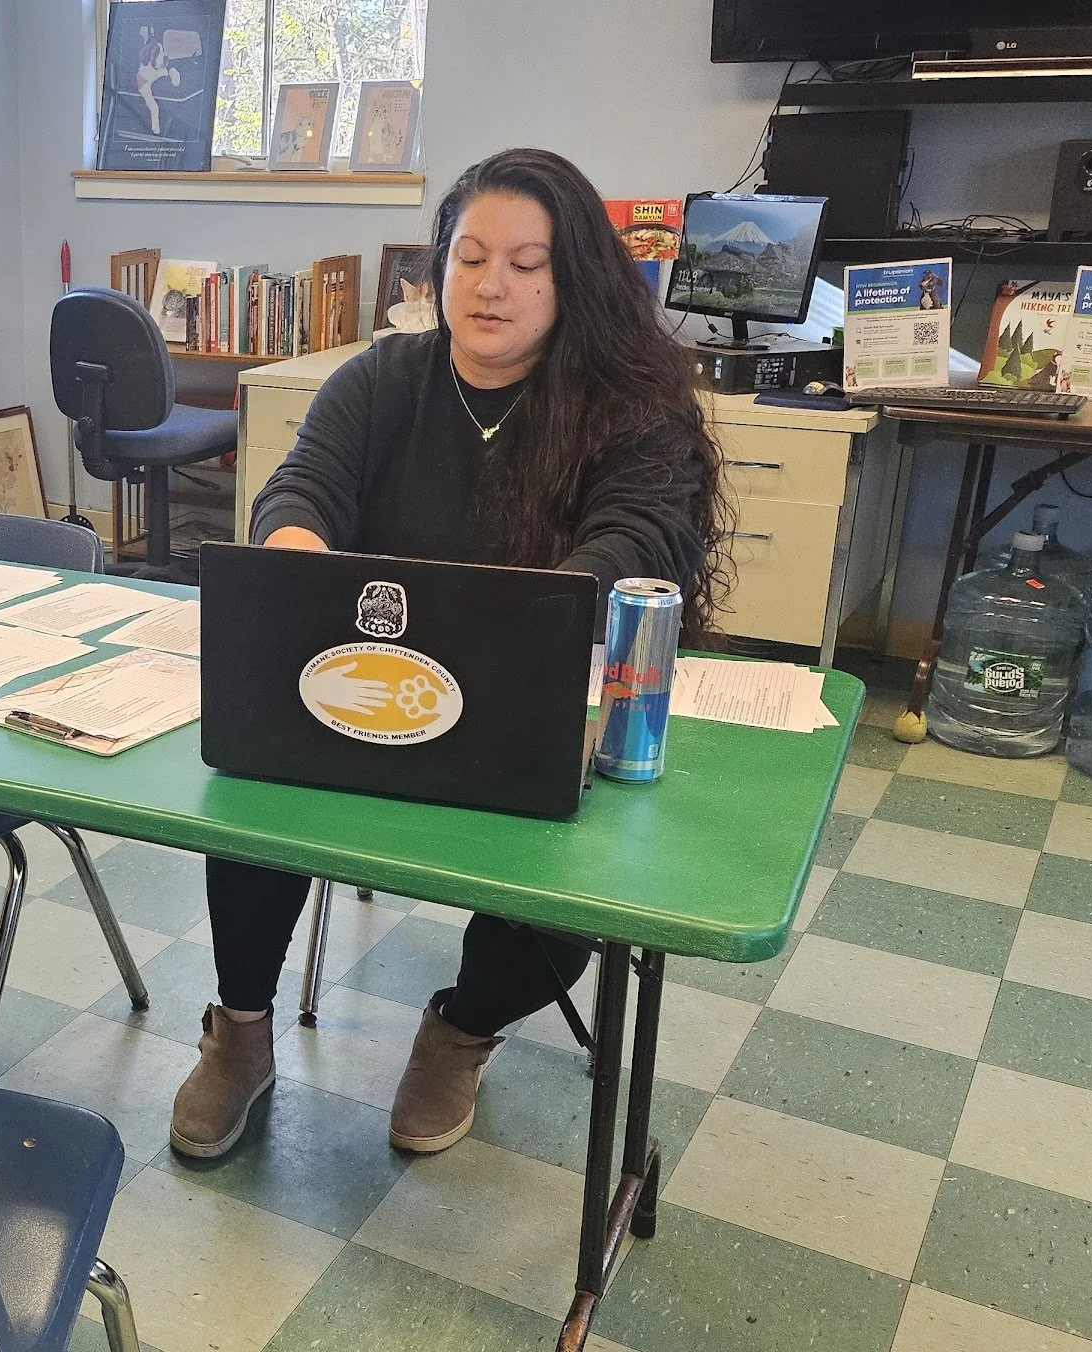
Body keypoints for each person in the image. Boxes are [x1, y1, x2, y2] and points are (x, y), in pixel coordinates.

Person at [169, 149, 728, 1159]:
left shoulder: (628, 402)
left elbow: (637, 538)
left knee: (574, 876)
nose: (491, 283)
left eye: (525, 262)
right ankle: (239, 1033)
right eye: (469, 256)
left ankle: (460, 1028)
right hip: (368, 695)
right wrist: (292, 561)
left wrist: (536, 612)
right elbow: (298, 488)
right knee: (249, 796)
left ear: (573, 280)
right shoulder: (383, 377)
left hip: (531, 702)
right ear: (438, 267)